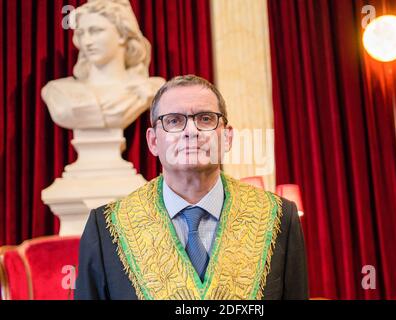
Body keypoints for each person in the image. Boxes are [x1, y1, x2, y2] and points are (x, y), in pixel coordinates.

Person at [74, 74, 309, 300]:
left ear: (227, 138)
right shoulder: (106, 228)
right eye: (174, 121)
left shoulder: (278, 217)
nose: (191, 131)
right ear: (153, 141)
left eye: (205, 119)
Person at [42, 0, 164, 130]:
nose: (86, 41)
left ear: (122, 34)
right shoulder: (59, 92)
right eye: (81, 33)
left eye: (96, 31)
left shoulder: (151, 89)